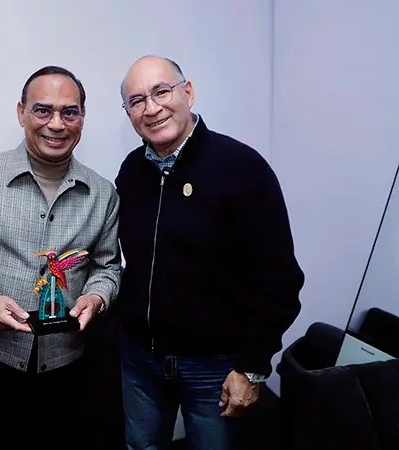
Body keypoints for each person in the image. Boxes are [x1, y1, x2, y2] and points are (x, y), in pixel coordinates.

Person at [115, 55, 305, 449]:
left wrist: (252, 367)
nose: (151, 108)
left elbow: (280, 279)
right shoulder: (132, 171)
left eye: (161, 92)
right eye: (137, 101)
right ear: (129, 113)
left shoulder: (241, 167)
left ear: (188, 92)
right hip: (140, 360)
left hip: (215, 368)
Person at [0, 65, 122, 450]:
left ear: (83, 117)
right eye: (43, 110)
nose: (56, 124)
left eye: (69, 112)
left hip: (66, 366)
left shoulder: (102, 193)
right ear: (21, 113)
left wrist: (96, 296)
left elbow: (107, 266)